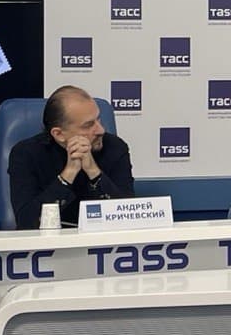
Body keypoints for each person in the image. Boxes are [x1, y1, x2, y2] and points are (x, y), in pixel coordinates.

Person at [8, 85, 135, 229]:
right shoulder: (26, 154)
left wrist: (93, 172)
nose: (101, 130)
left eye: (98, 119)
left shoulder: (115, 147)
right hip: (47, 241)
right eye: (88, 125)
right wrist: (69, 173)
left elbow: (128, 215)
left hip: (101, 239)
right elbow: (26, 222)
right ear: (59, 134)